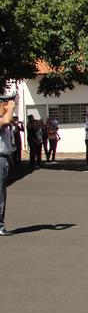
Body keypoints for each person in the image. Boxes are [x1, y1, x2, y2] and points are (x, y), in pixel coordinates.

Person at [0, 93, 17, 236]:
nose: (7, 106)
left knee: (2, 193)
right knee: (0, 194)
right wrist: (11, 107)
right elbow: (7, 119)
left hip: (4, 159)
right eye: (4, 104)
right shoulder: (2, 119)